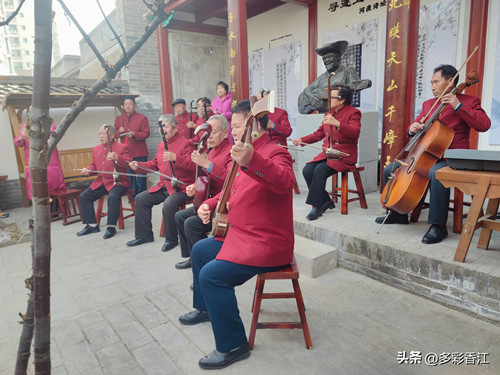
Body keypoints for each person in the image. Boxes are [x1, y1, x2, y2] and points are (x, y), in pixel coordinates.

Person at [178, 99, 295, 370]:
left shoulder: (275, 152)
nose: (234, 133)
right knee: (200, 251)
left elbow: (285, 181)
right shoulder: (240, 151)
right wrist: (208, 205)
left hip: (266, 242)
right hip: (241, 235)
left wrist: (252, 159)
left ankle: (233, 345)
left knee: (212, 275)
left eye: (239, 126)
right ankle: (205, 307)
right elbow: (228, 190)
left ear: (256, 126)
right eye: (234, 127)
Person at [375, 64, 491, 244]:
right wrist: (412, 129)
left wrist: (457, 105)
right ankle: (397, 213)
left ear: (451, 82)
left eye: (436, 82)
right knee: (391, 168)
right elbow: (415, 126)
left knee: (436, 174)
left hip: (453, 158)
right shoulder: (429, 104)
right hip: (426, 155)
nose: (433, 87)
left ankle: (438, 226)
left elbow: (484, 125)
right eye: (431, 83)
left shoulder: (469, 101)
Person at [127, 114, 196, 252]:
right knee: (141, 198)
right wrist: (138, 165)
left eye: (165, 126)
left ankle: (171, 239)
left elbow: (194, 165)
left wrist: (176, 158)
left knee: (169, 204)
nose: (162, 129)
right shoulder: (161, 145)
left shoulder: (186, 143)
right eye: (160, 127)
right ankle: (144, 235)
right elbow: (154, 164)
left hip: (182, 187)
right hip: (164, 185)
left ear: (175, 128)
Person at [292, 85, 361, 221]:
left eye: (332, 97)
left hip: (343, 156)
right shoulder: (328, 114)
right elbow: (319, 134)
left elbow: (355, 133)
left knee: (320, 170)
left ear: (342, 100)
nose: (328, 99)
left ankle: (317, 207)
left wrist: (338, 123)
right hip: (328, 154)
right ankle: (326, 201)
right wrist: (301, 140)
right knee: (307, 170)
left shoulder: (353, 113)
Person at [174, 114, 232, 269]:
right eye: (208, 133)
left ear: (226, 133)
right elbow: (205, 177)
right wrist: (194, 186)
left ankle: (204, 265)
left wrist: (208, 163)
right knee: (179, 216)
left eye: (214, 132)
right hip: (209, 201)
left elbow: (231, 180)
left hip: (223, 204)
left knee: (192, 224)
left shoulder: (230, 152)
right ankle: (192, 258)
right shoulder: (211, 151)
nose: (210, 136)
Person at [76, 125, 132, 239]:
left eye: (103, 134)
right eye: (99, 134)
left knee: (113, 195)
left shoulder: (122, 147)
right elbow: (93, 165)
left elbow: (129, 163)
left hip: (118, 181)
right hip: (101, 181)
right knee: (84, 196)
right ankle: (92, 225)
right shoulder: (96, 148)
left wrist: (117, 157)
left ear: (112, 135)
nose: (100, 136)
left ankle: (111, 227)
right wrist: (88, 171)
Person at [297, 40, 371, 114]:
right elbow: (307, 89)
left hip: (341, 113)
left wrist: (337, 93)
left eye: (330, 57)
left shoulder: (348, 71)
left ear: (339, 58)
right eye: (324, 58)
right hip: (322, 115)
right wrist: (312, 97)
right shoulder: (321, 77)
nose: (327, 60)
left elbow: (353, 90)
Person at [13, 108, 66, 202]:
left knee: (52, 181)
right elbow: (18, 141)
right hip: (32, 159)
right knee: (36, 184)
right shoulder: (26, 125)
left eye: (32, 112)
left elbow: (52, 138)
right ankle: (39, 210)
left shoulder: (48, 124)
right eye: (29, 112)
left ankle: (55, 208)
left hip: (49, 158)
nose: (30, 114)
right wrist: (20, 140)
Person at [114, 96, 150, 197]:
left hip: (139, 152)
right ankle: (133, 198)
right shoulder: (119, 119)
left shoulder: (142, 118)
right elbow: (114, 135)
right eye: (126, 104)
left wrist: (135, 135)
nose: (128, 106)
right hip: (126, 153)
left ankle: (143, 197)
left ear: (134, 105)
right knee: (129, 176)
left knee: (140, 176)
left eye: (130, 104)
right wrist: (119, 132)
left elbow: (146, 133)